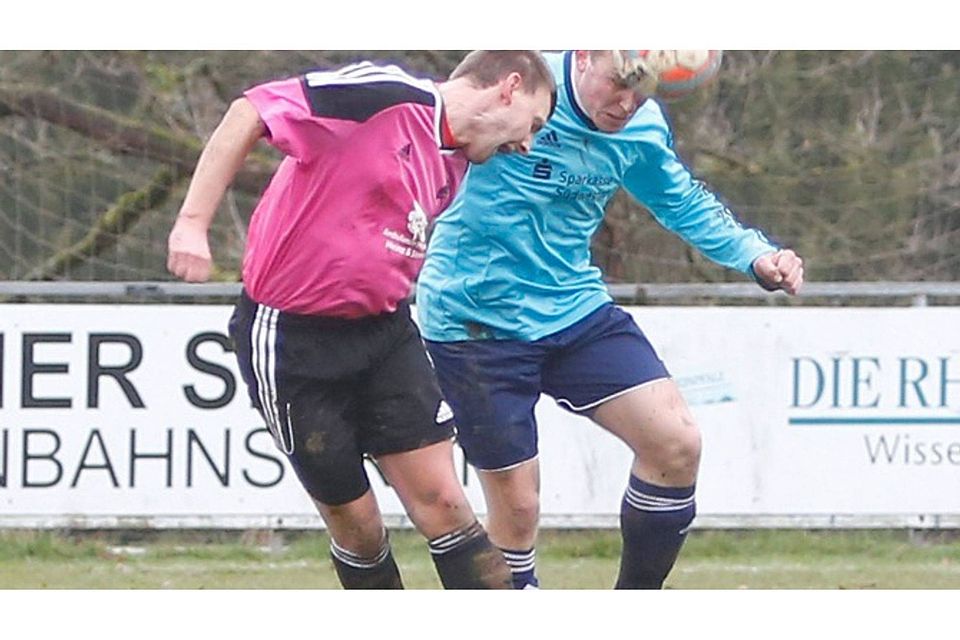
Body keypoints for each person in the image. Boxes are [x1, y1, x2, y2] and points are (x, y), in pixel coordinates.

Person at [166, 51, 556, 589]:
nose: (527, 143)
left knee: (444, 502)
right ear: (509, 88)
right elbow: (249, 110)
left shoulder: (457, 163)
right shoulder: (387, 96)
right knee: (359, 527)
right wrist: (191, 223)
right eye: (533, 124)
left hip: (384, 333)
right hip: (290, 340)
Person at [416, 50, 804, 589]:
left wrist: (754, 255)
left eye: (644, 92)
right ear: (589, 52)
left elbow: (680, 201)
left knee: (676, 443)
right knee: (518, 511)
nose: (627, 103)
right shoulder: (520, 89)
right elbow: (424, 128)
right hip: (476, 325)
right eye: (619, 85)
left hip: (575, 311)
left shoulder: (640, 126)